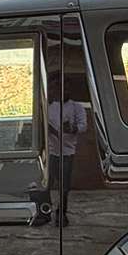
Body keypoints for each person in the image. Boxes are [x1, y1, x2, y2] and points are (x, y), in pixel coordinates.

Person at [48, 96, 88, 226]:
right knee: (46, 184)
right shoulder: (50, 106)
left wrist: (72, 129)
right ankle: (44, 212)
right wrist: (51, 130)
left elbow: (83, 125)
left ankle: (61, 213)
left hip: (67, 153)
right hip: (50, 151)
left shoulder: (76, 107)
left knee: (64, 186)